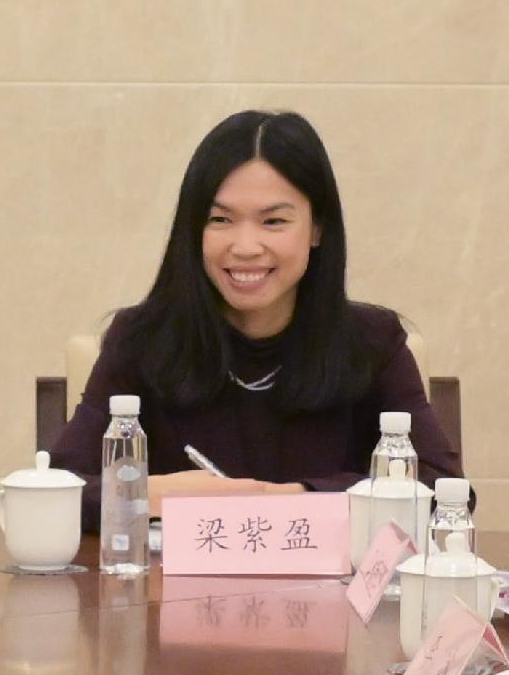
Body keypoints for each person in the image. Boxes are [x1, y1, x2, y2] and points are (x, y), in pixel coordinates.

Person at [49, 110, 453, 522]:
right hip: (172, 586)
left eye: (273, 221)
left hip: (330, 586)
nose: (245, 246)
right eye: (221, 219)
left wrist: (297, 499)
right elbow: (60, 489)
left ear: (316, 229)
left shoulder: (372, 342)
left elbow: (443, 490)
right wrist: (147, 494)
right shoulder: (141, 340)